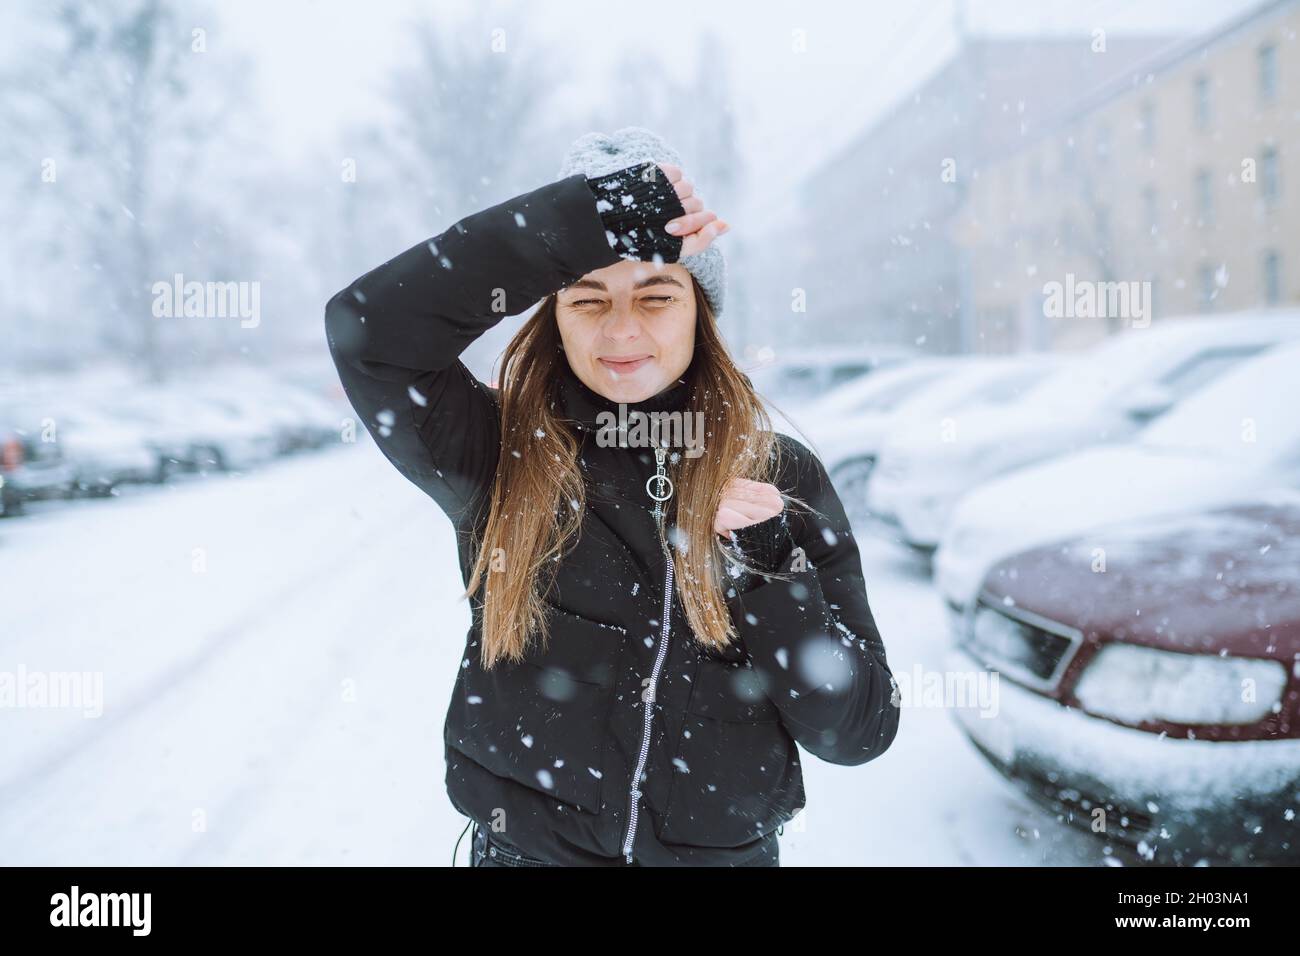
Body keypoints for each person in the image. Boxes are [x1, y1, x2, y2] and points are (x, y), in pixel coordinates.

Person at [324, 126, 901, 867]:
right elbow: (368, 330)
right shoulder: (498, 453)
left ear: (701, 312)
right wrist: (584, 222)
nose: (621, 330)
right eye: (587, 299)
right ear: (554, 317)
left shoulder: (779, 477)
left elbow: (856, 732)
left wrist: (764, 565)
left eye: (656, 295)